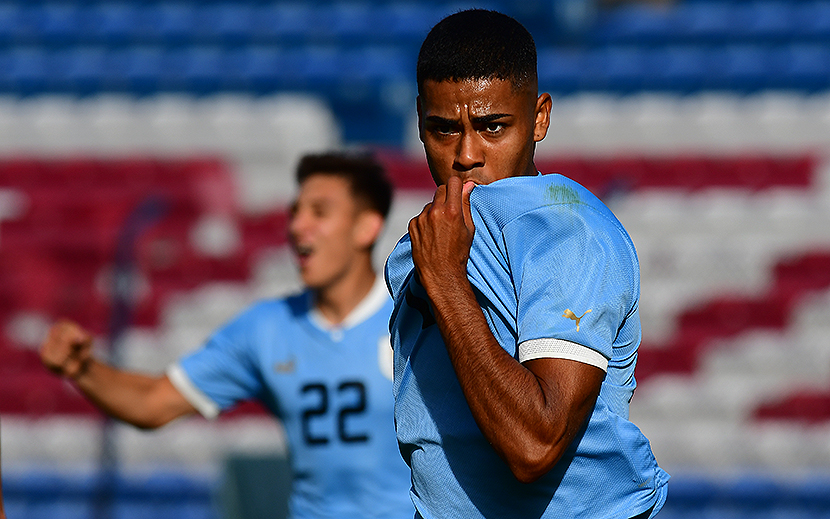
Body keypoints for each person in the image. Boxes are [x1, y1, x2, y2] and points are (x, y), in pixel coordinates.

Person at [384, 9, 669, 519]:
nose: (467, 153)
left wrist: (448, 284)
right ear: (420, 123)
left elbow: (535, 445)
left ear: (539, 118)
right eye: (444, 130)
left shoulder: (568, 230)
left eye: (492, 127)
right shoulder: (418, 247)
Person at [41, 152, 414, 519]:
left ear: (366, 227)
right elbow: (153, 403)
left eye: (319, 212)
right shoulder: (267, 328)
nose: (298, 226)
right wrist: (81, 367)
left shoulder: (413, 317)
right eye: (295, 212)